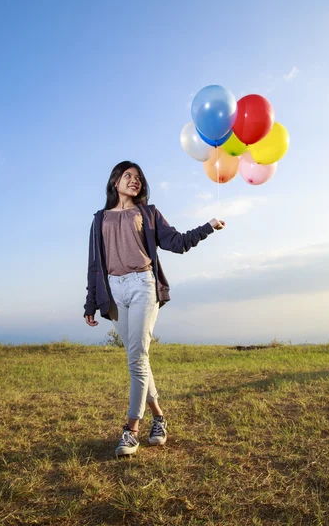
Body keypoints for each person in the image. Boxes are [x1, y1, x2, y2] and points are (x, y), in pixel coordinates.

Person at [84, 160, 225, 458]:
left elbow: (177, 242)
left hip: (143, 286)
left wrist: (208, 227)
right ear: (115, 182)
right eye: (128, 176)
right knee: (137, 357)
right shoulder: (99, 220)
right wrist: (91, 303)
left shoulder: (147, 213)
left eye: (138, 177)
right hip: (113, 290)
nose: (134, 181)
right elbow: (94, 265)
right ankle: (159, 417)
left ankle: (131, 429)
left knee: (137, 357)